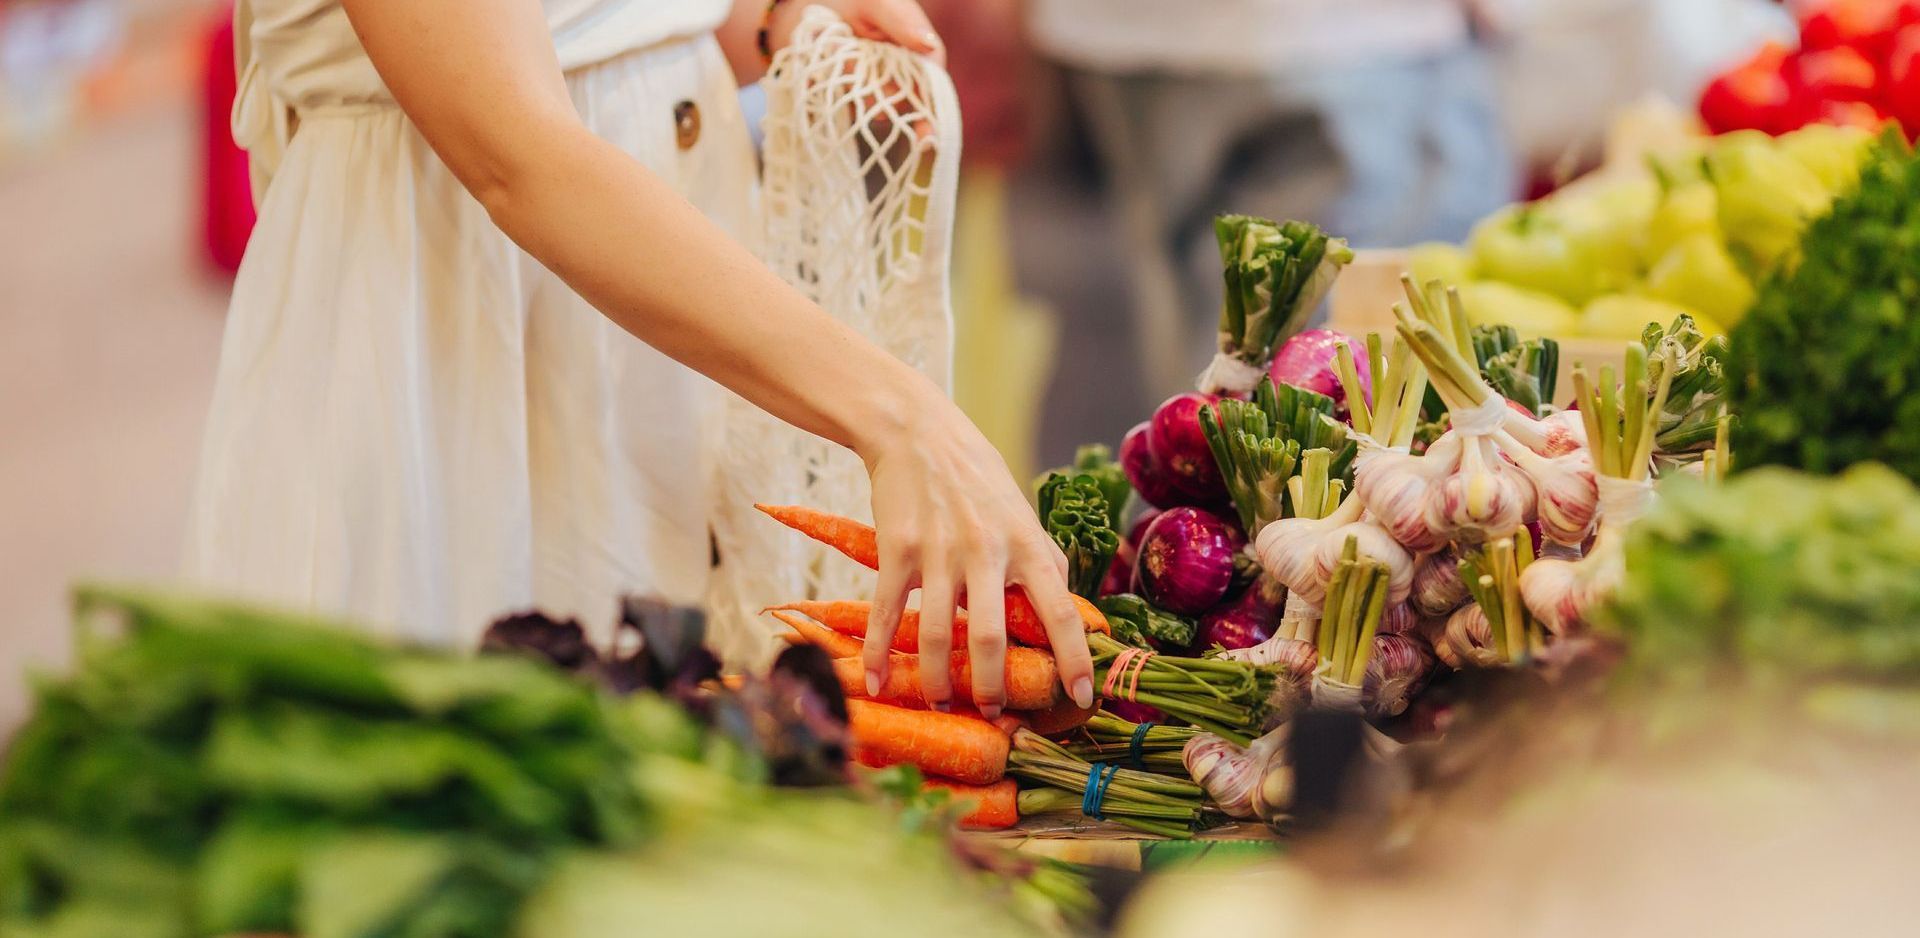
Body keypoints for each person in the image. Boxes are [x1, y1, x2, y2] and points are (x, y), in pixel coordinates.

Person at [184, 0, 1095, 719]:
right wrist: (900, 419)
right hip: (456, 346)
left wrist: (773, 21)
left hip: (668, 340)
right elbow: (519, 155)